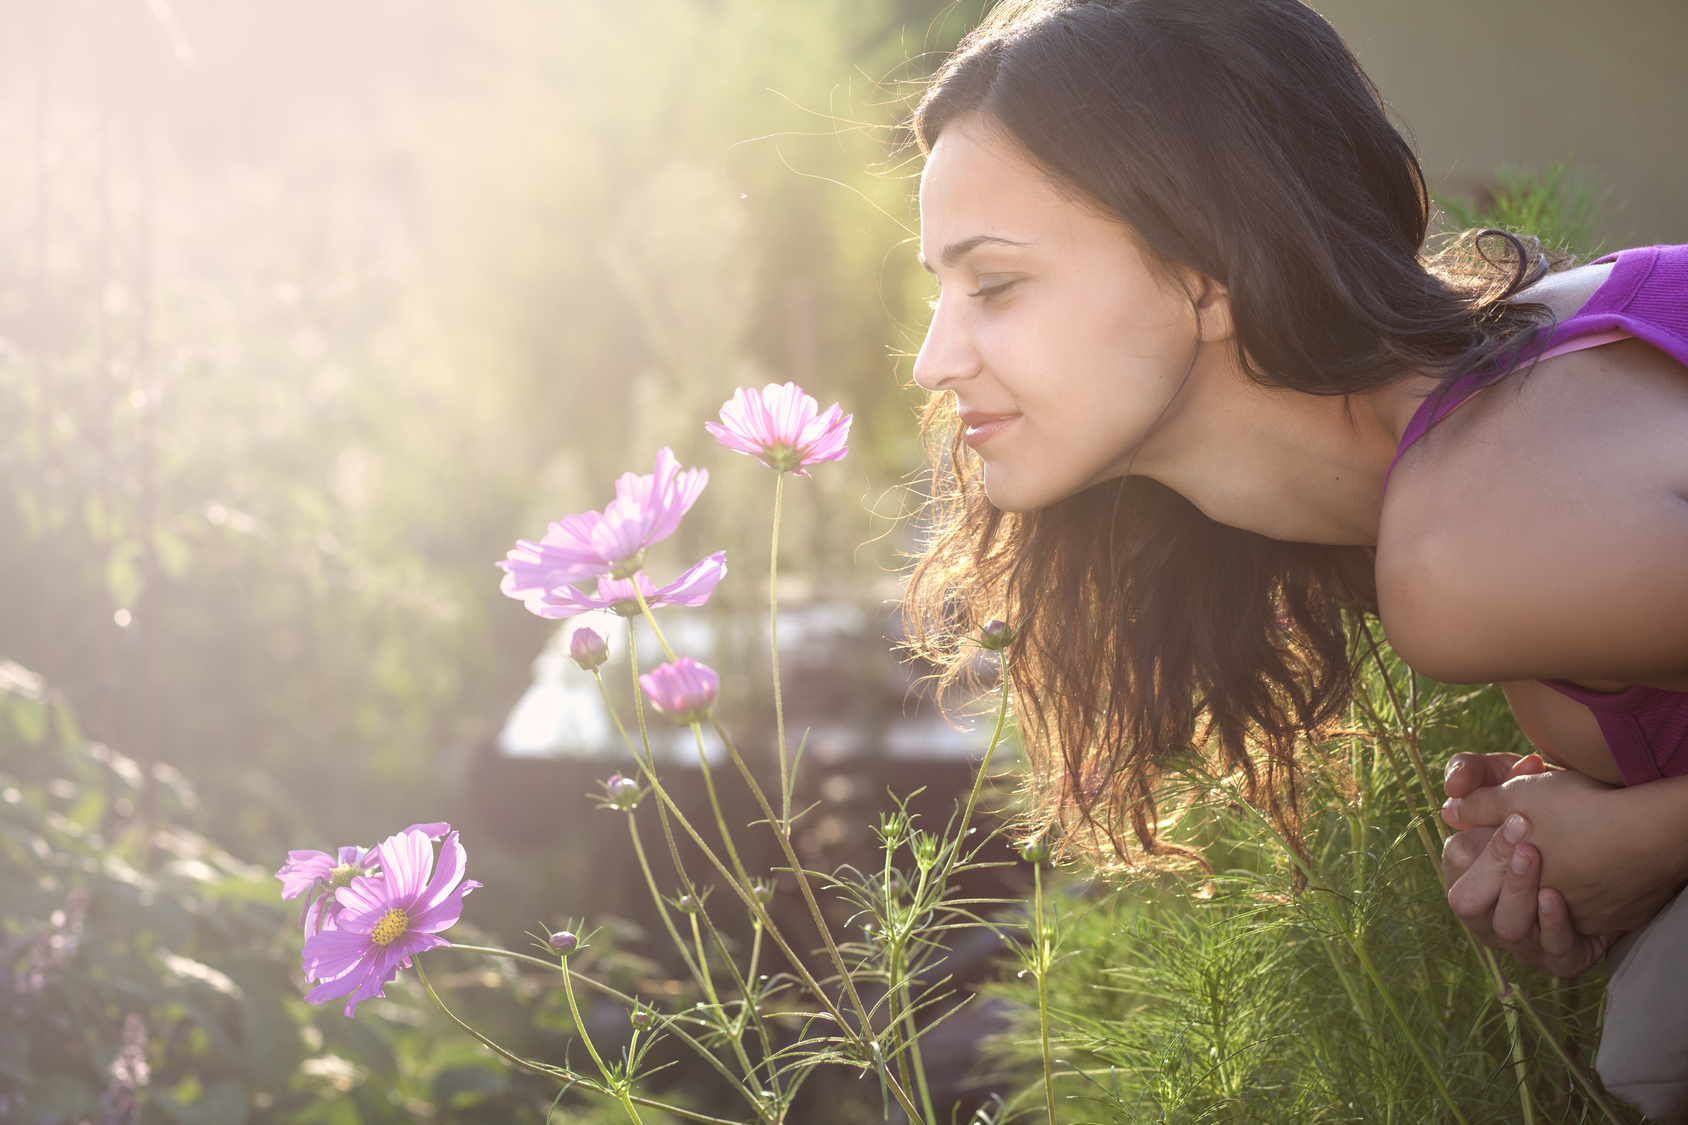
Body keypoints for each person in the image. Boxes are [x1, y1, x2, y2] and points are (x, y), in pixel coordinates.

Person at [899, 0, 1688, 1116]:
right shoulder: (1520, 391)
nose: (934, 358)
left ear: (1205, 271)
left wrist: (1647, 837)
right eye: (938, 289)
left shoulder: (1469, 539)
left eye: (995, 284)